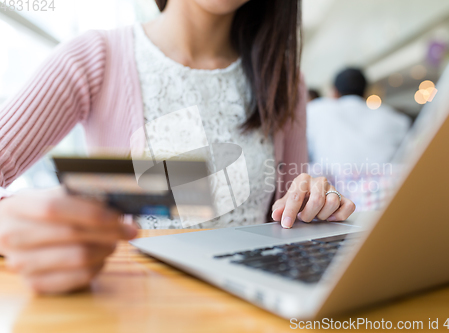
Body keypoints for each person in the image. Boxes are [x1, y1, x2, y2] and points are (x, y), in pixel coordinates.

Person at [0, 0, 355, 294]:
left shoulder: (285, 80)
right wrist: (11, 224)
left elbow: (290, 213)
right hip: (130, 309)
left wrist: (314, 205)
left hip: (253, 309)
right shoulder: (95, 56)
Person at [307, 68, 411, 166]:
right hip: (392, 183)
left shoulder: (315, 111)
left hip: (333, 184)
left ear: (335, 92)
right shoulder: (396, 119)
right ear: (366, 92)